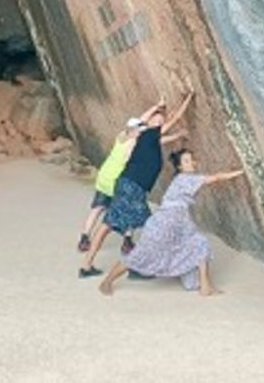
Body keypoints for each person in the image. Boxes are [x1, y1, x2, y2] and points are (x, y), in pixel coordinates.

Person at [79, 91, 194, 278]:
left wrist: (170, 124)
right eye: (156, 120)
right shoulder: (146, 133)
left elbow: (165, 128)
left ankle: (86, 265)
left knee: (107, 225)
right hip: (133, 187)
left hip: (126, 184)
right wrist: (188, 97)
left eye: (160, 120)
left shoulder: (148, 138)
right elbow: (175, 118)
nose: (159, 122)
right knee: (152, 227)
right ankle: (136, 268)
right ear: (148, 123)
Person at [98, 148, 244, 296]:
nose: (191, 163)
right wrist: (240, 171)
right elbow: (216, 178)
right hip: (164, 223)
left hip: (176, 223)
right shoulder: (185, 178)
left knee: (200, 243)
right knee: (139, 256)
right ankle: (107, 281)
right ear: (180, 167)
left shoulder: (185, 179)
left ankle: (205, 287)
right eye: (186, 161)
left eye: (191, 159)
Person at [77, 102, 166, 253]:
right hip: (117, 180)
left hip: (104, 177)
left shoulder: (121, 137)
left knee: (97, 208)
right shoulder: (136, 142)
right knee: (127, 208)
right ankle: (127, 240)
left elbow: (147, 127)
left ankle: (85, 238)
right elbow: (157, 137)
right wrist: (157, 111)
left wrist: (155, 108)